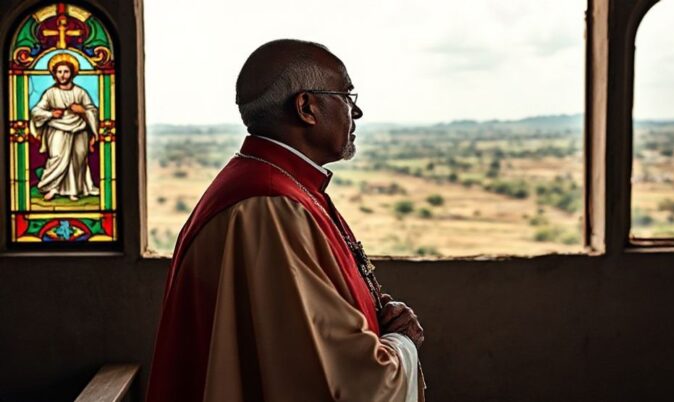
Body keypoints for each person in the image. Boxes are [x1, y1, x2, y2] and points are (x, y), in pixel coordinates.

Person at [147, 39, 425, 402]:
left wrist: (377, 317)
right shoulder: (271, 206)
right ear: (306, 107)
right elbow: (341, 381)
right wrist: (402, 344)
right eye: (347, 96)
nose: (356, 113)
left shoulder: (277, 187)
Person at [30, 53, 100, 202]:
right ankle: (52, 187)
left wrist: (81, 110)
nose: (62, 75)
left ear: (72, 73)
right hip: (57, 130)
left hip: (79, 130)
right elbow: (36, 111)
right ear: (54, 74)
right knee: (57, 158)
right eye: (59, 72)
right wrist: (50, 114)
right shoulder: (50, 93)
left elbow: (92, 111)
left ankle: (74, 190)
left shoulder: (80, 92)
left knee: (78, 160)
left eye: (66, 71)